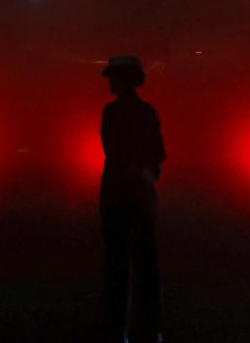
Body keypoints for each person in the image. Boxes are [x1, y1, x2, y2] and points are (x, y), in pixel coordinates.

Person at [99, 55, 166, 343]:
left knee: (118, 265)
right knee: (145, 264)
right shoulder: (148, 112)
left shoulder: (112, 113)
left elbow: (113, 151)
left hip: (117, 196)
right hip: (141, 195)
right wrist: (146, 174)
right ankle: (149, 327)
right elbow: (158, 154)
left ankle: (119, 327)